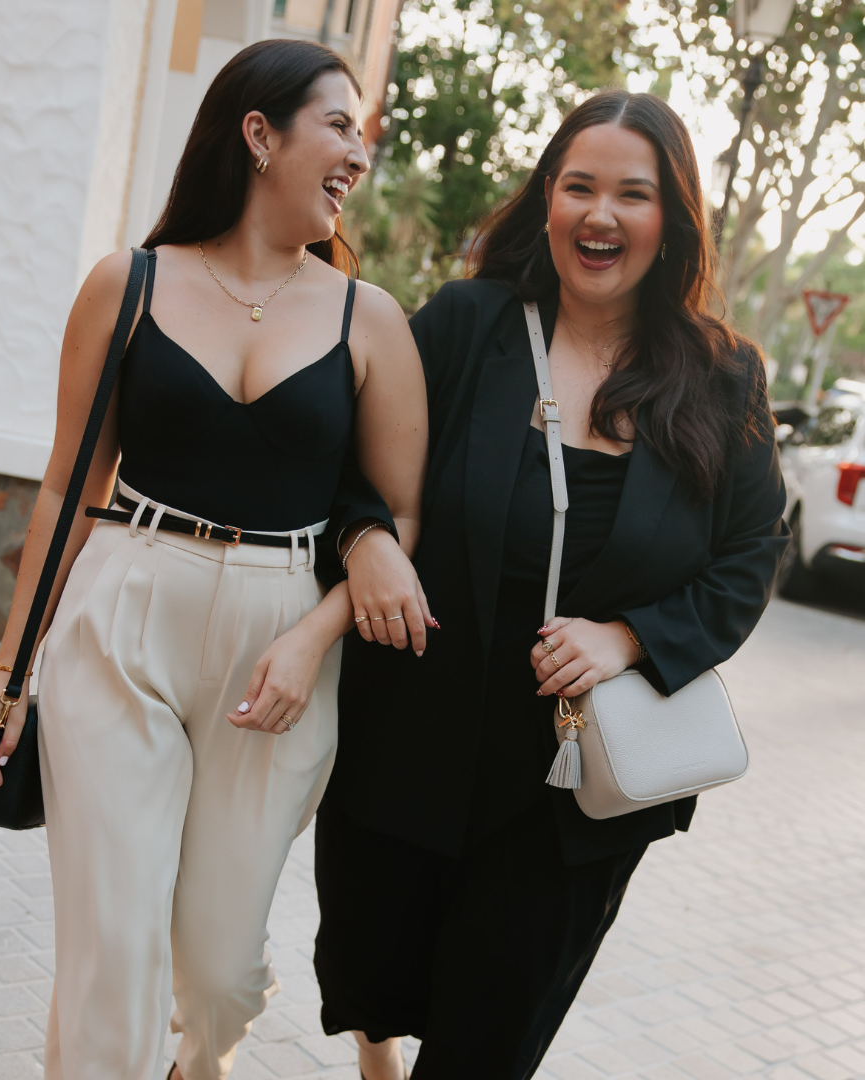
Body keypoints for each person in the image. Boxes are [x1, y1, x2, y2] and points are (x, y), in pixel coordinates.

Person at [0, 40, 430, 1080]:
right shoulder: (127, 283)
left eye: (364, 133)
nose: (361, 151)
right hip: (123, 610)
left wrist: (316, 633)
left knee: (214, 973)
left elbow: (398, 524)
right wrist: (6, 667)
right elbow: (67, 487)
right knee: (112, 950)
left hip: (282, 647)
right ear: (259, 135)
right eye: (340, 125)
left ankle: (196, 1058)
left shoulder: (372, 321)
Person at [313, 90, 789, 1080]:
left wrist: (629, 639)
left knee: (491, 1035)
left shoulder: (721, 377)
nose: (600, 215)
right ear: (546, 199)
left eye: (633, 193)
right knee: (374, 968)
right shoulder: (465, 326)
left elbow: (750, 556)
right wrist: (364, 540)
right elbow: (354, 457)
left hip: (574, 788)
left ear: (674, 218)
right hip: (414, 733)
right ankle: (376, 1055)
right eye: (578, 186)